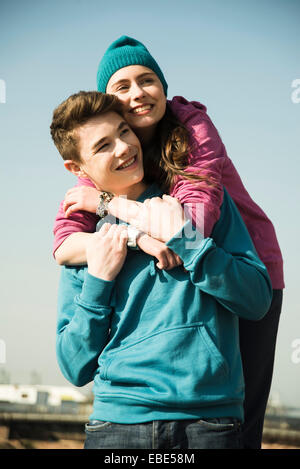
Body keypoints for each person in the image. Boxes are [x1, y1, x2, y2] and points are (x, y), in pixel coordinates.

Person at [52, 37, 284, 449]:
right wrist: (112, 253)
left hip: (211, 414)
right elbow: (64, 248)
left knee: (248, 416)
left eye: (147, 80)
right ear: (79, 169)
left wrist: (152, 229)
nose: (123, 147)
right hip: (117, 424)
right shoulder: (90, 225)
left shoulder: (193, 138)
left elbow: (190, 225)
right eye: (104, 144)